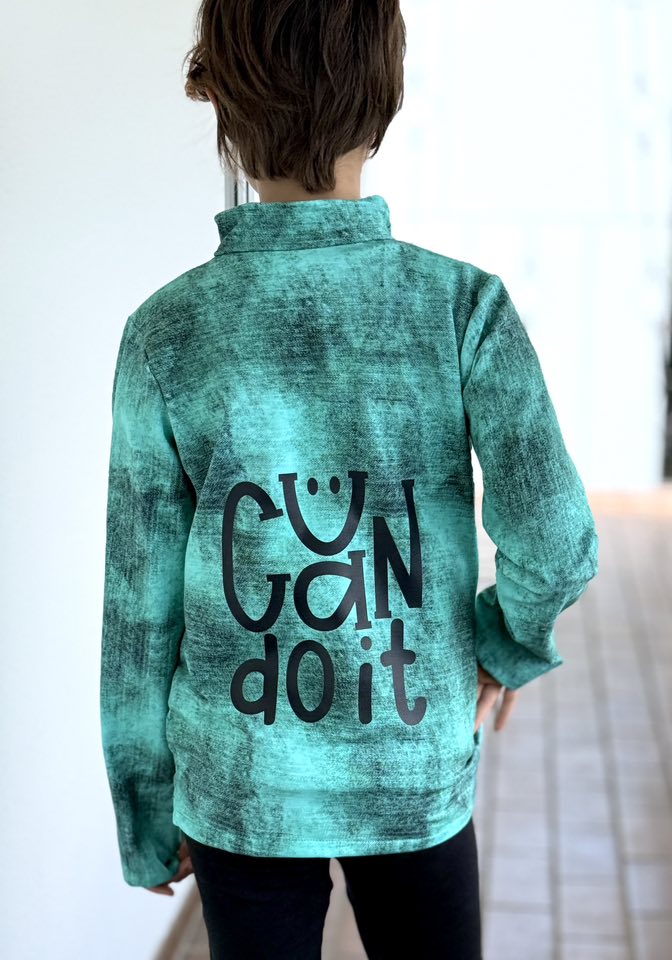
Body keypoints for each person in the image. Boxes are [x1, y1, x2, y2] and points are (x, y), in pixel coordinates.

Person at [99, 2, 599, 958]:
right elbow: (559, 539)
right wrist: (502, 644)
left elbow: (139, 614)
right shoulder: (463, 308)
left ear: (220, 103)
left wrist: (145, 807)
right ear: (386, 99)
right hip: (411, 769)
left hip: (243, 787)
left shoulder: (165, 335)